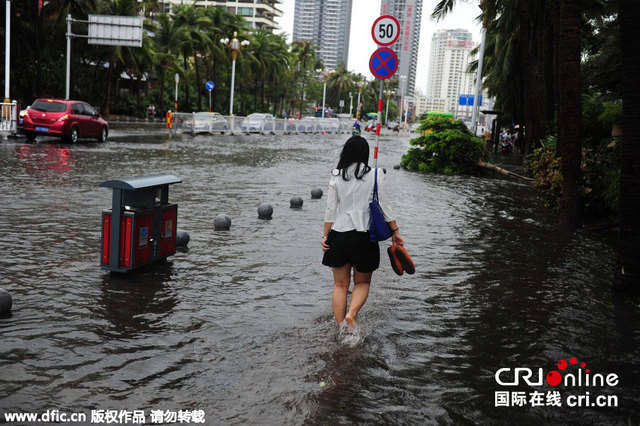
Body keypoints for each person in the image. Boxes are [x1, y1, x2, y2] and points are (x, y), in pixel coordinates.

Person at [321, 135, 404, 327]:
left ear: (346, 153)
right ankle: (351, 315)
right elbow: (385, 206)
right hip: (364, 236)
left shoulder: (335, 175)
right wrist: (395, 231)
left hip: (339, 235)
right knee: (362, 283)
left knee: (340, 286)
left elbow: (329, 211)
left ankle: (342, 326)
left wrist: (325, 236)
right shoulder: (376, 174)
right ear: (365, 154)